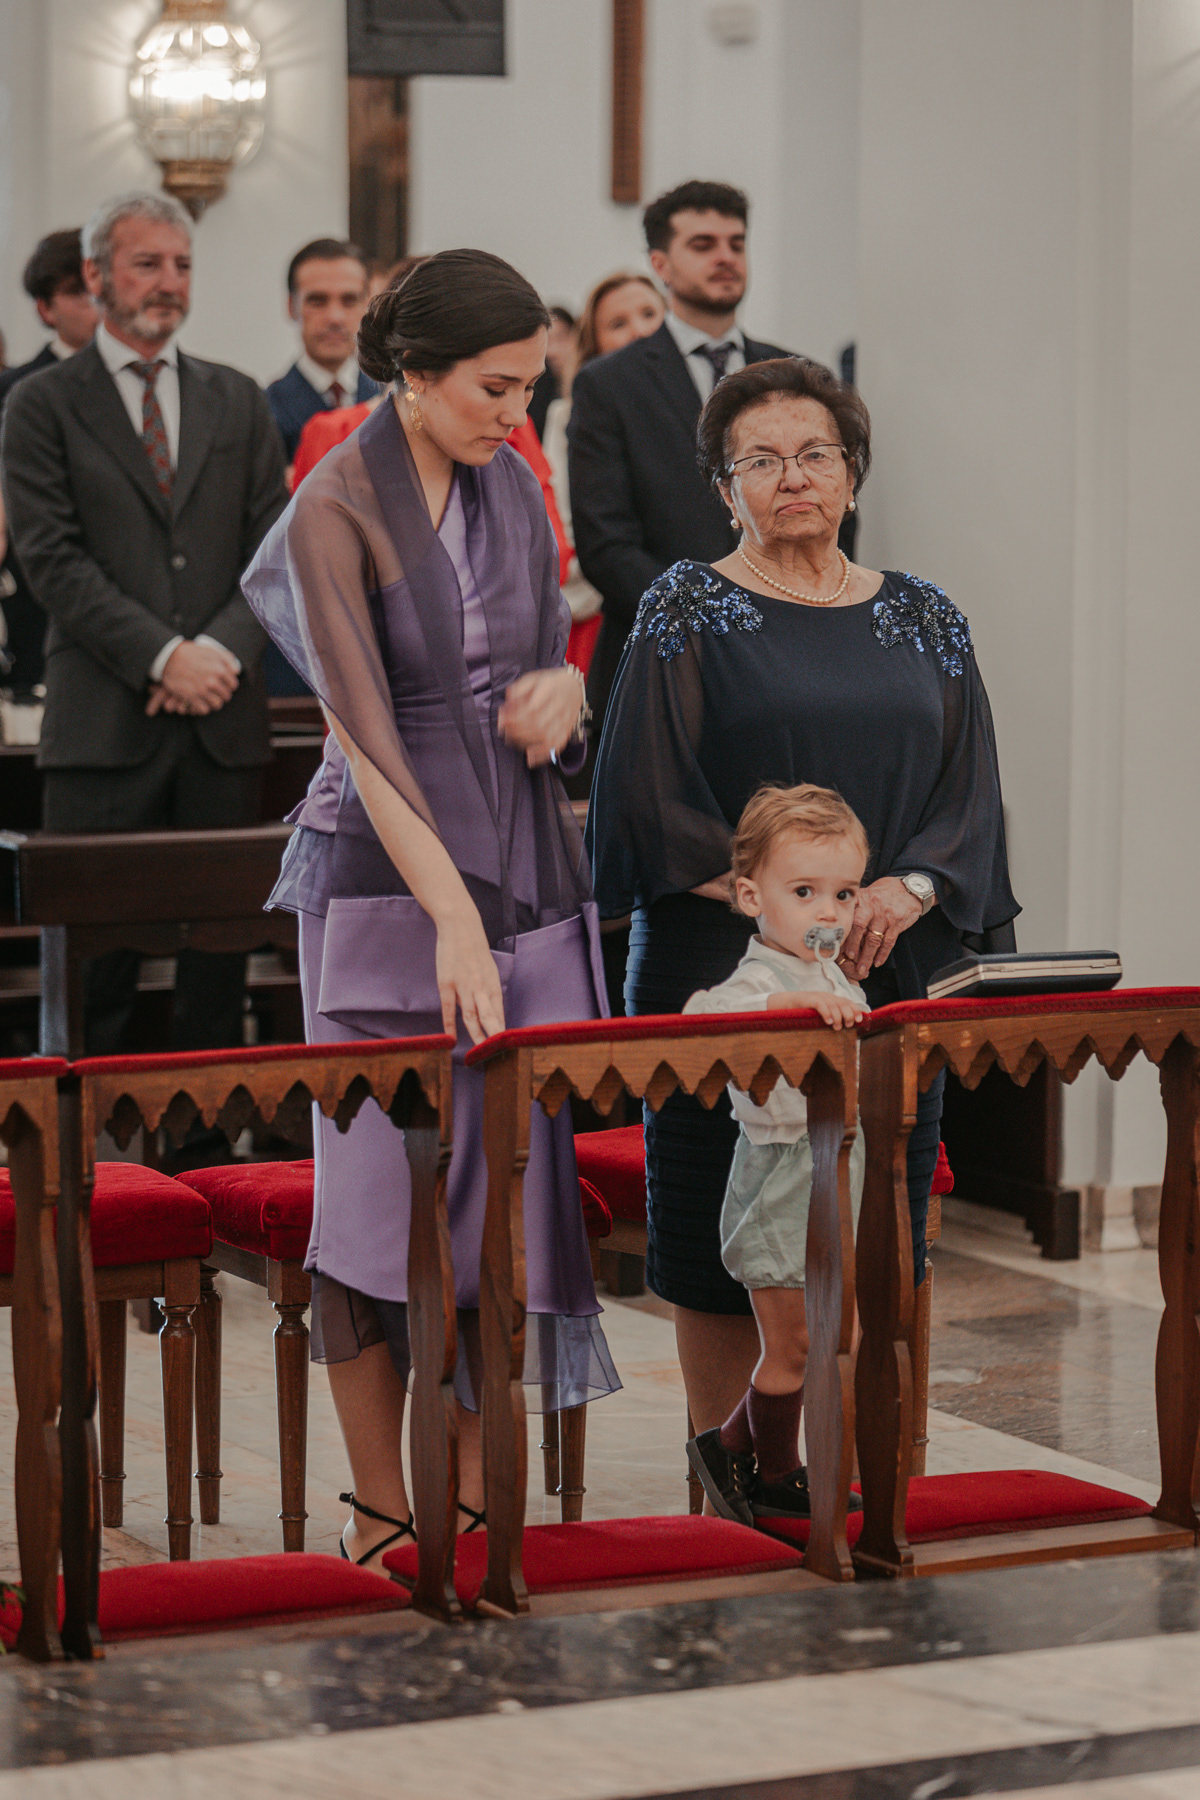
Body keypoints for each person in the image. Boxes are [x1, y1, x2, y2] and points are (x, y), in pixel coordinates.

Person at [241, 248, 619, 1567]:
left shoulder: (511, 478)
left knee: (496, 1199)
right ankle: (381, 1512)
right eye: (495, 388)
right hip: (380, 872)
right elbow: (360, 731)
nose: (517, 415)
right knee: (371, 1203)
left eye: (530, 389)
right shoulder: (335, 502)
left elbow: (538, 665)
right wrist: (453, 918)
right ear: (415, 372)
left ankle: (463, 1497)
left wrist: (566, 696)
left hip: (521, 854)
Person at [587, 354, 1018, 1446]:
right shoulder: (686, 606)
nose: (793, 477)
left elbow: (970, 795)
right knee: (720, 1240)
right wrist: (795, 908)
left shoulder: (925, 614)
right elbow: (644, 796)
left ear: (853, 474)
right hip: (722, 971)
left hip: (887, 969)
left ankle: (858, 1482)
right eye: (761, 460)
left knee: (875, 1232)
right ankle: (735, 1476)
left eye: (816, 454)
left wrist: (905, 890)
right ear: (724, 487)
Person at [0, 190, 287, 1052]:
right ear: (95, 276)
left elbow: (273, 553)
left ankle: (211, 1132)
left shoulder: (236, 398)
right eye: (147, 264)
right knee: (98, 979)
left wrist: (218, 653)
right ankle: (93, 1135)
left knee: (217, 974)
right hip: (102, 727)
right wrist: (164, 658)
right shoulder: (42, 404)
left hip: (222, 724)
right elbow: (50, 559)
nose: (169, 282)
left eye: (183, 265)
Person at [682, 784, 869, 1523]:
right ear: (751, 896)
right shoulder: (762, 979)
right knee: (793, 1344)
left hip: (835, 1170)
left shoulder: (831, 974)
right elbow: (703, 1016)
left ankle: (729, 1447)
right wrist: (790, 1007)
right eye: (805, 892)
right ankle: (778, 1472)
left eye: (844, 894)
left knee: (838, 1334)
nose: (830, 913)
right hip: (780, 1179)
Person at [568, 181, 791, 738]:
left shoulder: (792, 377)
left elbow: (835, 513)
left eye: (736, 243)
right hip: (659, 656)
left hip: (784, 651)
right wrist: (715, 618)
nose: (725, 257)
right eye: (703, 244)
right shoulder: (609, 384)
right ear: (661, 264)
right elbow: (605, 542)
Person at [542, 272, 665, 677]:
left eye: (650, 314)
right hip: (603, 609)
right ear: (594, 344)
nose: (639, 331)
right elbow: (567, 520)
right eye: (618, 323)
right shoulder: (569, 414)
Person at [0, 229, 98, 702]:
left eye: (99, 287)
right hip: (36, 596)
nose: (95, 304)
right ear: (46, 308)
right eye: (77, 293)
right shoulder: (15, 391)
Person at [265, 238, 380, 464]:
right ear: (291, 306)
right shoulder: (265, 410)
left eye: (349, 300)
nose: (335, 318)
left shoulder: (391, 400)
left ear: (368, 306)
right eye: (317, 301)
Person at [527, 303, 576, 441]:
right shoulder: (535, 389)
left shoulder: (591, 382)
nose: (552, 352)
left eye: (561, 338)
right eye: (546, 342)